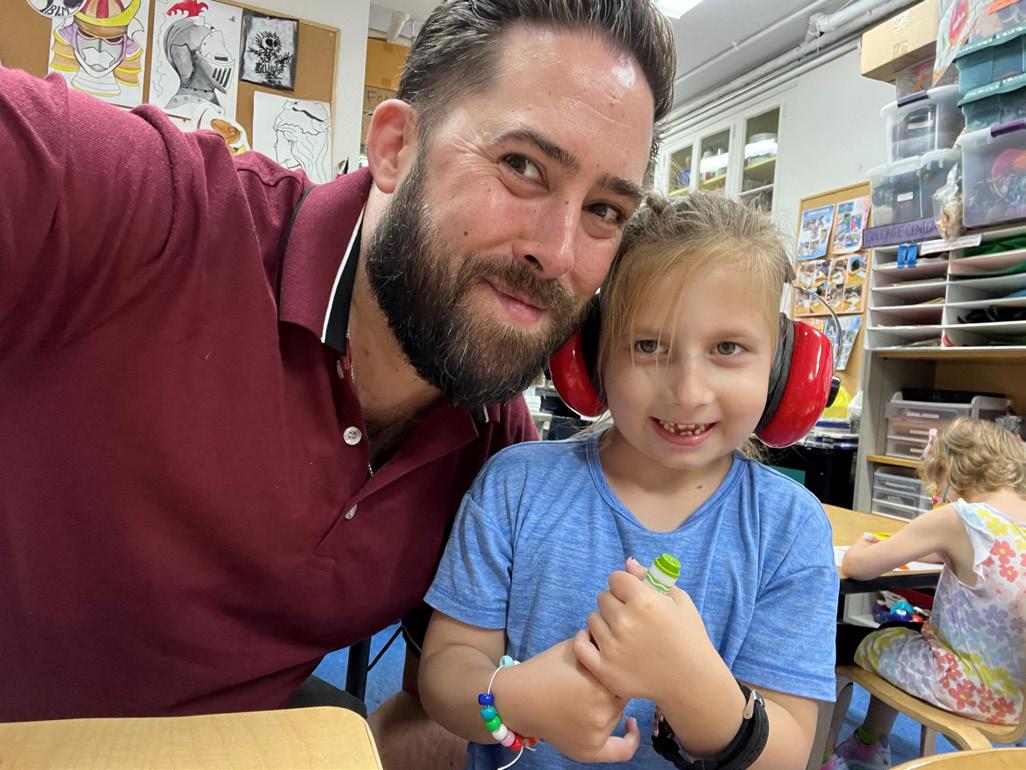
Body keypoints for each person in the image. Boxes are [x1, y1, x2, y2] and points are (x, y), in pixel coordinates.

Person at [0, 0, 675, 763]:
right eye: (522, 167)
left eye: (604, 210)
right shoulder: (151, 208)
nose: (558, 252)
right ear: (394, 149)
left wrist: (500, 714)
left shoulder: (493, 446)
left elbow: (430, 713)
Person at [419, 192, 840, 768]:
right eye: (648, 345)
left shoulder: (790, 529)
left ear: (781, 370)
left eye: (728, 348)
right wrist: (516, 700)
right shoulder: (515, 488)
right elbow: (444, 674)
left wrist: (690, 683)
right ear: (590, 358)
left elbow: (787, 754)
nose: (688, 391)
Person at [824, 418, 1026, 770]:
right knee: (903, 632)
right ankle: (868, 744)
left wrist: (862, 548)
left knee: (837, 641)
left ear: (951, 469)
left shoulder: (961, 517)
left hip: (961, 686)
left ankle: (820, 756)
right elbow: (952, 552)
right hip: (1012, 700)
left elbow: (858, 566)